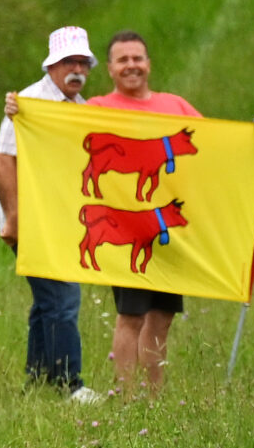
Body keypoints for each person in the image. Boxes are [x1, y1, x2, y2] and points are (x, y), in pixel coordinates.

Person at [86, 33, 204, 396]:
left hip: (166, 231)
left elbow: (218, 145)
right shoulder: (98, 107)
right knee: (132, 315)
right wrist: (19, 113)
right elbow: (56, 132)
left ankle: (153, 399)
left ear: (149, 64)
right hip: (126, 230)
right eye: (122, 60)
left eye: (137, 58)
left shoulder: (176, 107)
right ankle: (125, 398)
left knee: (162, 317)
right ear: (110, 70)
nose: (131, 65)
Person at [0, 26, 98, 399]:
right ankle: (69, 385)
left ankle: (37, 380)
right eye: (69, 61)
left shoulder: (80, 108)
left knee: (47, 300)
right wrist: (14, 217)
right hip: (30, 220)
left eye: (83, 62)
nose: (77, 69)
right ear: (52, 65)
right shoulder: (29, 103)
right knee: (63, 298)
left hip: (59, 219)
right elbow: (4, 160)